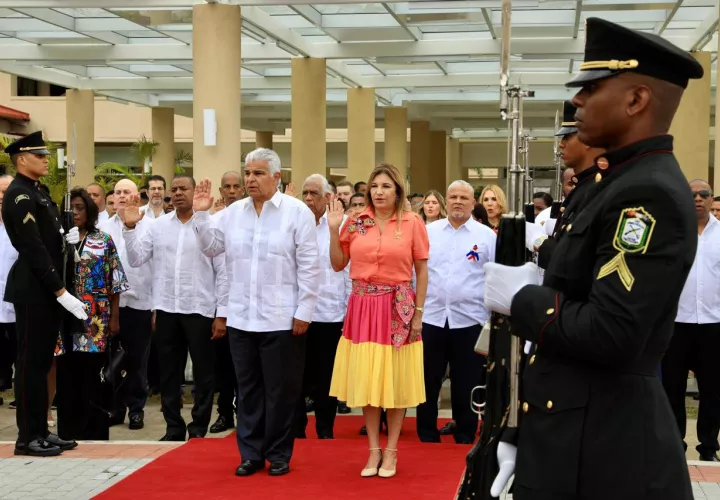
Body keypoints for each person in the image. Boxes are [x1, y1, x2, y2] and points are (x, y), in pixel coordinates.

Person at [483, 17, 703, 500]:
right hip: (570, 427)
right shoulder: (608, 185)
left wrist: (522, 298)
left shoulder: (648, 194)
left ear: (636, 99)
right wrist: (525, 429)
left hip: (609, 449)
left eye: (591, 87)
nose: (578, 100)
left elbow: (613, 332)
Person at [193, 148, 319, 477]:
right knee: (247, 389)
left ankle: (278, 453)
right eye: (247, 173)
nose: (250, 179)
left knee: (280, 390)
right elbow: (210, 248)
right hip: (241, 317)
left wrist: (304, 310)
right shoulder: (232, 214)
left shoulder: (296, 212)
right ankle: (250, 453)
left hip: (282, 318)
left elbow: (309, 266)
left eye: (258, 173)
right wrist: (203, 215)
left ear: (276, 177)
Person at [328, 163, 429, 478]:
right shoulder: (357, 222)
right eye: (374, 186)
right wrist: (334, 231)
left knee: (394, 381)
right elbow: (337, 264)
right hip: (361, 307)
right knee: (369, 381)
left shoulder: (412, 223)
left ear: (397, 190)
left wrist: (418, 315)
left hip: (397, 308)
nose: (379, 192)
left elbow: (422, 271)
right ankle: (373, 450)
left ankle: (392, 451)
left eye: (386, 186)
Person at [122, 175, 228, 442]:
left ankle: (198, 428)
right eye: (175, 189)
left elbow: (222, 269)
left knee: (204, 374)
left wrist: (222, 314)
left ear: (195, 192)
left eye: (185, 189)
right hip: (167, 308)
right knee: (169, 373)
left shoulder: (211, 224)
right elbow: (136, 259)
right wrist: (130, 227)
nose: (179, 193)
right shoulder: (158, 227)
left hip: (200, 309)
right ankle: (173, 427)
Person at [2, 131, 87, 456]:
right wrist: (61, 291)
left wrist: (63, 238)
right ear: (22, 159)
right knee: (29, 365)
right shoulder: (19, 195)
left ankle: (41, 430)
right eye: (40, 155)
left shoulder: (38, 191)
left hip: (45, 290)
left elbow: (48, 241)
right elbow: (32, 248)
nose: (46, 159)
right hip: (35, 289)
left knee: (40, 364)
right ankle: (27, 437)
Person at [417, 180, 495, 445]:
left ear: (473, 203)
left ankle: (464, 433)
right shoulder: (428, 231)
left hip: (470, 319)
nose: (458, 201)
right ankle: (426, 433)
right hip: (431, 317)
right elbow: (417, 272)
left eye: (464, 197)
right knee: (428, 379)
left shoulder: (486, 236)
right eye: (453, 197)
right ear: (445, 202)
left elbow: (494, 277)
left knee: (466, 381)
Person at [56, 188, 128, 440]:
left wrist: (115, 318)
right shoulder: (58, 238)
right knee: (67, 375)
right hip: (64, 319)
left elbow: (115, 281)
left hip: (95, 319)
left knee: (92, 375)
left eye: (80, 208)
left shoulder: (103, 240)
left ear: (89, 211)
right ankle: (67, 430)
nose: (75, 213)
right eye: (71, 208)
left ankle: (94, 430)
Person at [662, 179, 720, 461]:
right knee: (672, 386)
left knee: (713, 388)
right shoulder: (671, 234)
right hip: (677, 323)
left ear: (711, 200)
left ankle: (708, 447)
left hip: (714, 324)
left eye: (703, 194)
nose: (697, 198)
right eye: (692, 194)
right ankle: (675, 445)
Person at [294, 174, 350, 440]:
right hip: (298, 313)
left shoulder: (343, 226)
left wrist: (350, 312)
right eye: (305, 193)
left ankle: (325, 429)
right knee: (296, 376)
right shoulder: (294, 224)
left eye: (313, 194)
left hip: (332, 313)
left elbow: (349, 271)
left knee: (327, 377)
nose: (307, 199)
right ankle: (296, 429)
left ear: (328, 197)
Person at [100, 179, 154, 431]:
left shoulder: (150, 226)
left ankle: (136, 409)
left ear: (137, 197)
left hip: (139, 303)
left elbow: (156, 269)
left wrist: (155, 308)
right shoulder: (102, 226)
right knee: (111, 360)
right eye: (118, 192)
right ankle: (114, 407)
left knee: (135, 360)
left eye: (127, 192)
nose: (121, 196)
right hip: (108, 305)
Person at [209, 170, 243, 434]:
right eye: (227, 186)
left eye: (236, 186)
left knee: (245, 368)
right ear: (220, 191)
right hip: (218, 305)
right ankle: (224, 414)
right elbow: (214, 272)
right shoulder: (214, 222)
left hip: (246, 307)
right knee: (222, 367)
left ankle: (246, 412)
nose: (231, 191)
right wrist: (220, 312)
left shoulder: (253, 219)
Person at [0, 175, 16, 403]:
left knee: (17, 347)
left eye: (6, 192)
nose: (2, 197)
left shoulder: (21, 224)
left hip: (16, 300)